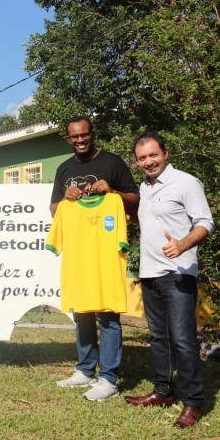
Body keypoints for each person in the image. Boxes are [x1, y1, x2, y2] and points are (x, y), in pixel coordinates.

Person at [124, 131, 214, 429]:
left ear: (166, 153)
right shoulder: (145, 187)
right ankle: (163, 391)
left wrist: (183, 244)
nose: (149, 162)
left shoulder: (186, 183)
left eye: (153, 155)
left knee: (183, 341)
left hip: (177, 272)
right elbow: (153, 218)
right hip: (150, 272)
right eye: (142, 158)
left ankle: (192, 402)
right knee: (159, 338)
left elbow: (205, 222)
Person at [50, 116, 139, 401]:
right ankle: (85, 370)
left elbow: (136, 199)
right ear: (68, 139)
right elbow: (54, 210)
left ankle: (109, 378)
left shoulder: (112, 162)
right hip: (79, 260)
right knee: (83, 316)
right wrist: (65, 198)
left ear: (92, 134)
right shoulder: (64, 169)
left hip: (103, 260)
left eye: (84, 135)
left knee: (109, 317)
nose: (80, 140)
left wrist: (113, 192)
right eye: (74, 137)